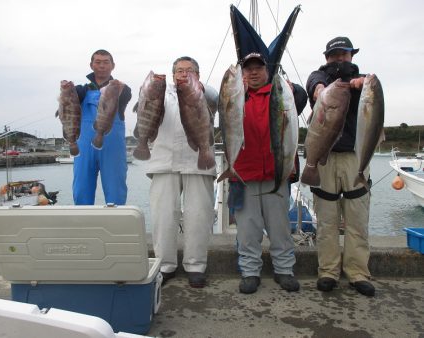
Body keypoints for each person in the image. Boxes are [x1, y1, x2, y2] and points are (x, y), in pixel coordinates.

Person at [231, 52, 307, 294]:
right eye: (248, 68)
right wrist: (234, 91)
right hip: (244, 174)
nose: (253, 72)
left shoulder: (281, 95)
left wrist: (288, 85)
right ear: (242, 74)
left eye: (258, 68)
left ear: (267, 71)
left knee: (280, 227)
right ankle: (250, 271)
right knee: (247, 230)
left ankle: (284, 270)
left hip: (277, 173)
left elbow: (302, 95)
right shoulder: (235, 99)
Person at [305, 37, 375, 297]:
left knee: (357, 218)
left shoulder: (365, 81)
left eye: (343, 54)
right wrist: (320, 88)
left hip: (355, 157)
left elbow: (374, 88)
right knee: (326, 219)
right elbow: (313, 83)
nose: (339, 59)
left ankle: (358, 272)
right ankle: (328, 270)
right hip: (325, 157)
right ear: (327, 58)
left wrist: (363, 83)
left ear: (351, 56)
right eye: (334, 55)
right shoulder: (318, 77)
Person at [146, 56, 218, 288]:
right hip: (163, 161)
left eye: (189, 70)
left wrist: (196, 87)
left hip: (199, 162)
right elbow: (147, 111)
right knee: (163, 216)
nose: (183, 73)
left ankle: (196, 265)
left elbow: (216, 97)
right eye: (179, 70)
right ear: (172, 74)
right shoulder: (162, 93)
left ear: (198, 73)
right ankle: (164, 265)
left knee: (199, 217)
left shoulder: (206, 94)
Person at [73, 49, 132, 205]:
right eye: (98, 62)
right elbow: (68, 101)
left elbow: (127, 95)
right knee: (81, 192)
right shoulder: (81, 91)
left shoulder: (121, 89)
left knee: (116, 193)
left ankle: (117, 227)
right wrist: (68, 92)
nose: (102, 65)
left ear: (113, 65)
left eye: (106, 62)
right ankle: (83, 226)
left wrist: (119, 89)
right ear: (91, 65)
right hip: (84, 149)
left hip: (112, 149)